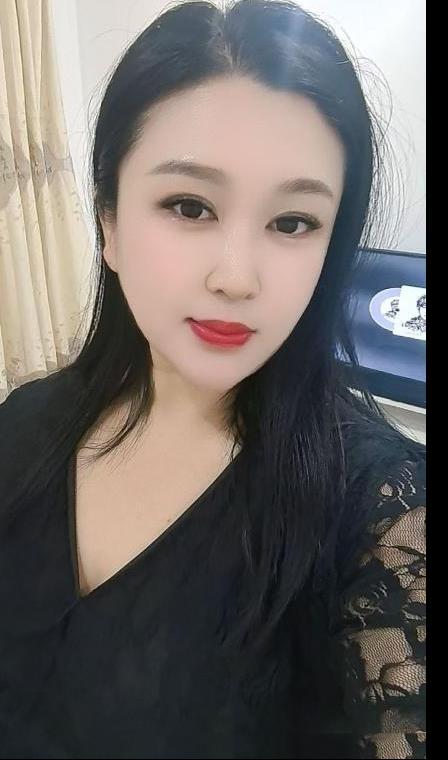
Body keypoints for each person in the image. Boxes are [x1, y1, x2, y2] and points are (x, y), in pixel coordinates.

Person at [0, 1, 425, 757]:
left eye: (292, 222)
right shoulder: (24, 421)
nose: (237, 278)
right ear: (108, 224)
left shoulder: (384, 519)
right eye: (189, 206)